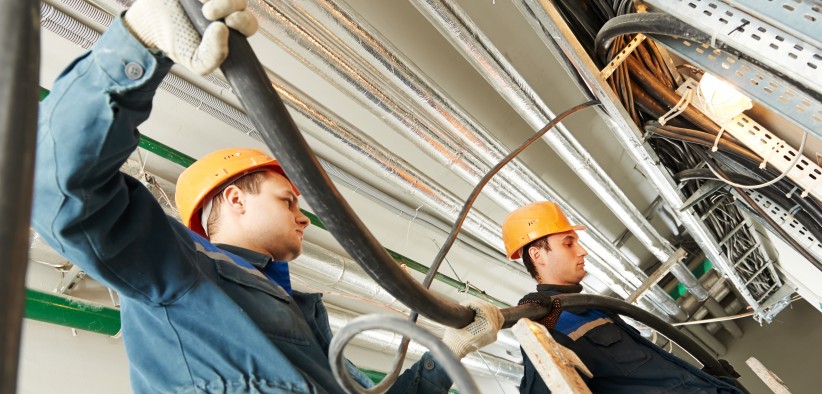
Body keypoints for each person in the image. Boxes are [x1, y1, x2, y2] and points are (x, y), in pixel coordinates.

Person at [31, 1, 503, 392]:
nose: (306, 219)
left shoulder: (300, 317)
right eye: (288, 201)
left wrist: (446, 351)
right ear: (235, 200)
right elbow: (56, 184)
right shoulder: (179, 268)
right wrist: (139, 42)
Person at [501, 202, 742, 393]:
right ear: (538, 254)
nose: (582, 251)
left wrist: (710, 379)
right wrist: (534, 317)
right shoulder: (547, 323)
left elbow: (648, 378)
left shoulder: (593, 310)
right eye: (568, 243)